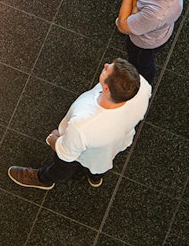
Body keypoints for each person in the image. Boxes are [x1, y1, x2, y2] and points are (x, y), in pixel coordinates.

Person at [8, 59, 150, 190]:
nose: (105, 65)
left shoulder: (82, 126)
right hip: (114, 145)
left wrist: (54, 139)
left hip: (81, 151)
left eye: (107, 70)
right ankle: (95, 178)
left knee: (62, 168)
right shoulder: (142, 86)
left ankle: (43, 179)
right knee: (98, 167)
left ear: (107, 89)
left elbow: (66, 154)